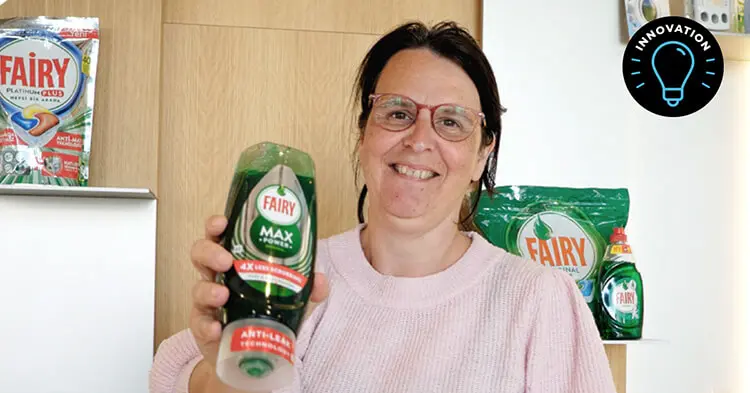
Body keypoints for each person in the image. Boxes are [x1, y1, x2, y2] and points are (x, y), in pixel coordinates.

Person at [149, 20, 617, 393]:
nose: (418, 140)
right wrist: (229, 371)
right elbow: (176, 372)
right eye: (397, 112)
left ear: (481, 156)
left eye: (451, 122)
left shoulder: (540, 301)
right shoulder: (297, 276)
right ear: (364, 134)